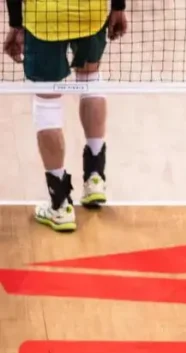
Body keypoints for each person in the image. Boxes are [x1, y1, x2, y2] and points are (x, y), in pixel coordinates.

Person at [3, 0, 129, 232]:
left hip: (44, 19)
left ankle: (60, 205)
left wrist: (16, 24)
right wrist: (119, 7)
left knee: (46, 100)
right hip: (90, 13)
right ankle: (95, 178)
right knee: (90, 80)